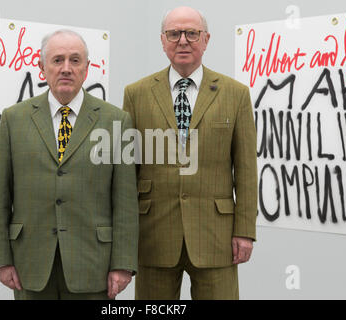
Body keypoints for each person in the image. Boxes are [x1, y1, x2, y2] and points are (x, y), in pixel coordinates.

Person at [0, 29, 138, 300]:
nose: (66, 68)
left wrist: (123, 264)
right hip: (29, 263)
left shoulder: (117, 121)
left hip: (93, 264)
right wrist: (1, 258)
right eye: (57, 60)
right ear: (42, 67)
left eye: (75, 60)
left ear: (87, 68)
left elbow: (126, 201)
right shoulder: (14, 119)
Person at [123, 6, 257, 300]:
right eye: (174, 33)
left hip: (216, 236)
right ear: (162, 40)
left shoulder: (235, 94)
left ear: (206, 39)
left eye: (191, 33)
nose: (182, 40)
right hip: (153, 233)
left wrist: (245, 230)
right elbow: (127, 171)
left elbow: (246, 169)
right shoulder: (136, 93)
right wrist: (124, 236)